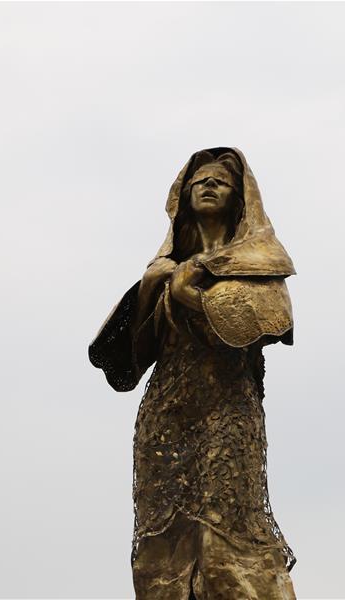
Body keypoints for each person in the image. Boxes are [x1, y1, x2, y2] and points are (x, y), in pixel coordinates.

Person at [89, 147, 297, 599]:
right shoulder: (163, 270)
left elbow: (258, 329)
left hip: (227, 409)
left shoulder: (258, 263)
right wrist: (150, 290)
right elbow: (133, 359)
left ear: (239, 198)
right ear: (182, 196)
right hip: (167, 414)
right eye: (198, 180)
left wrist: (193, 298)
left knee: (229, 529)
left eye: (220, 181)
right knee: (162, 537)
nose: (208, 186)